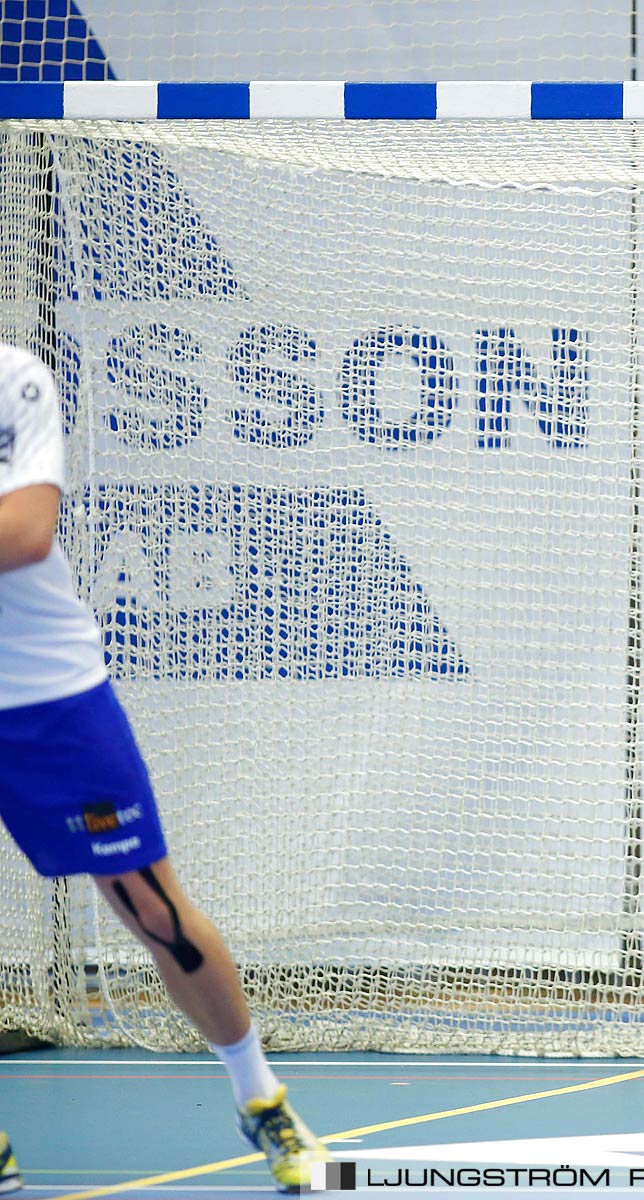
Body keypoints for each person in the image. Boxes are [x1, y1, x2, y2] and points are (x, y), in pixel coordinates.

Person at [0, 342, 330, 1193]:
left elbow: (27, 534)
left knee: (153, 909)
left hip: (46, 699)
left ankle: (260, 1099)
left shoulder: (13, 378)